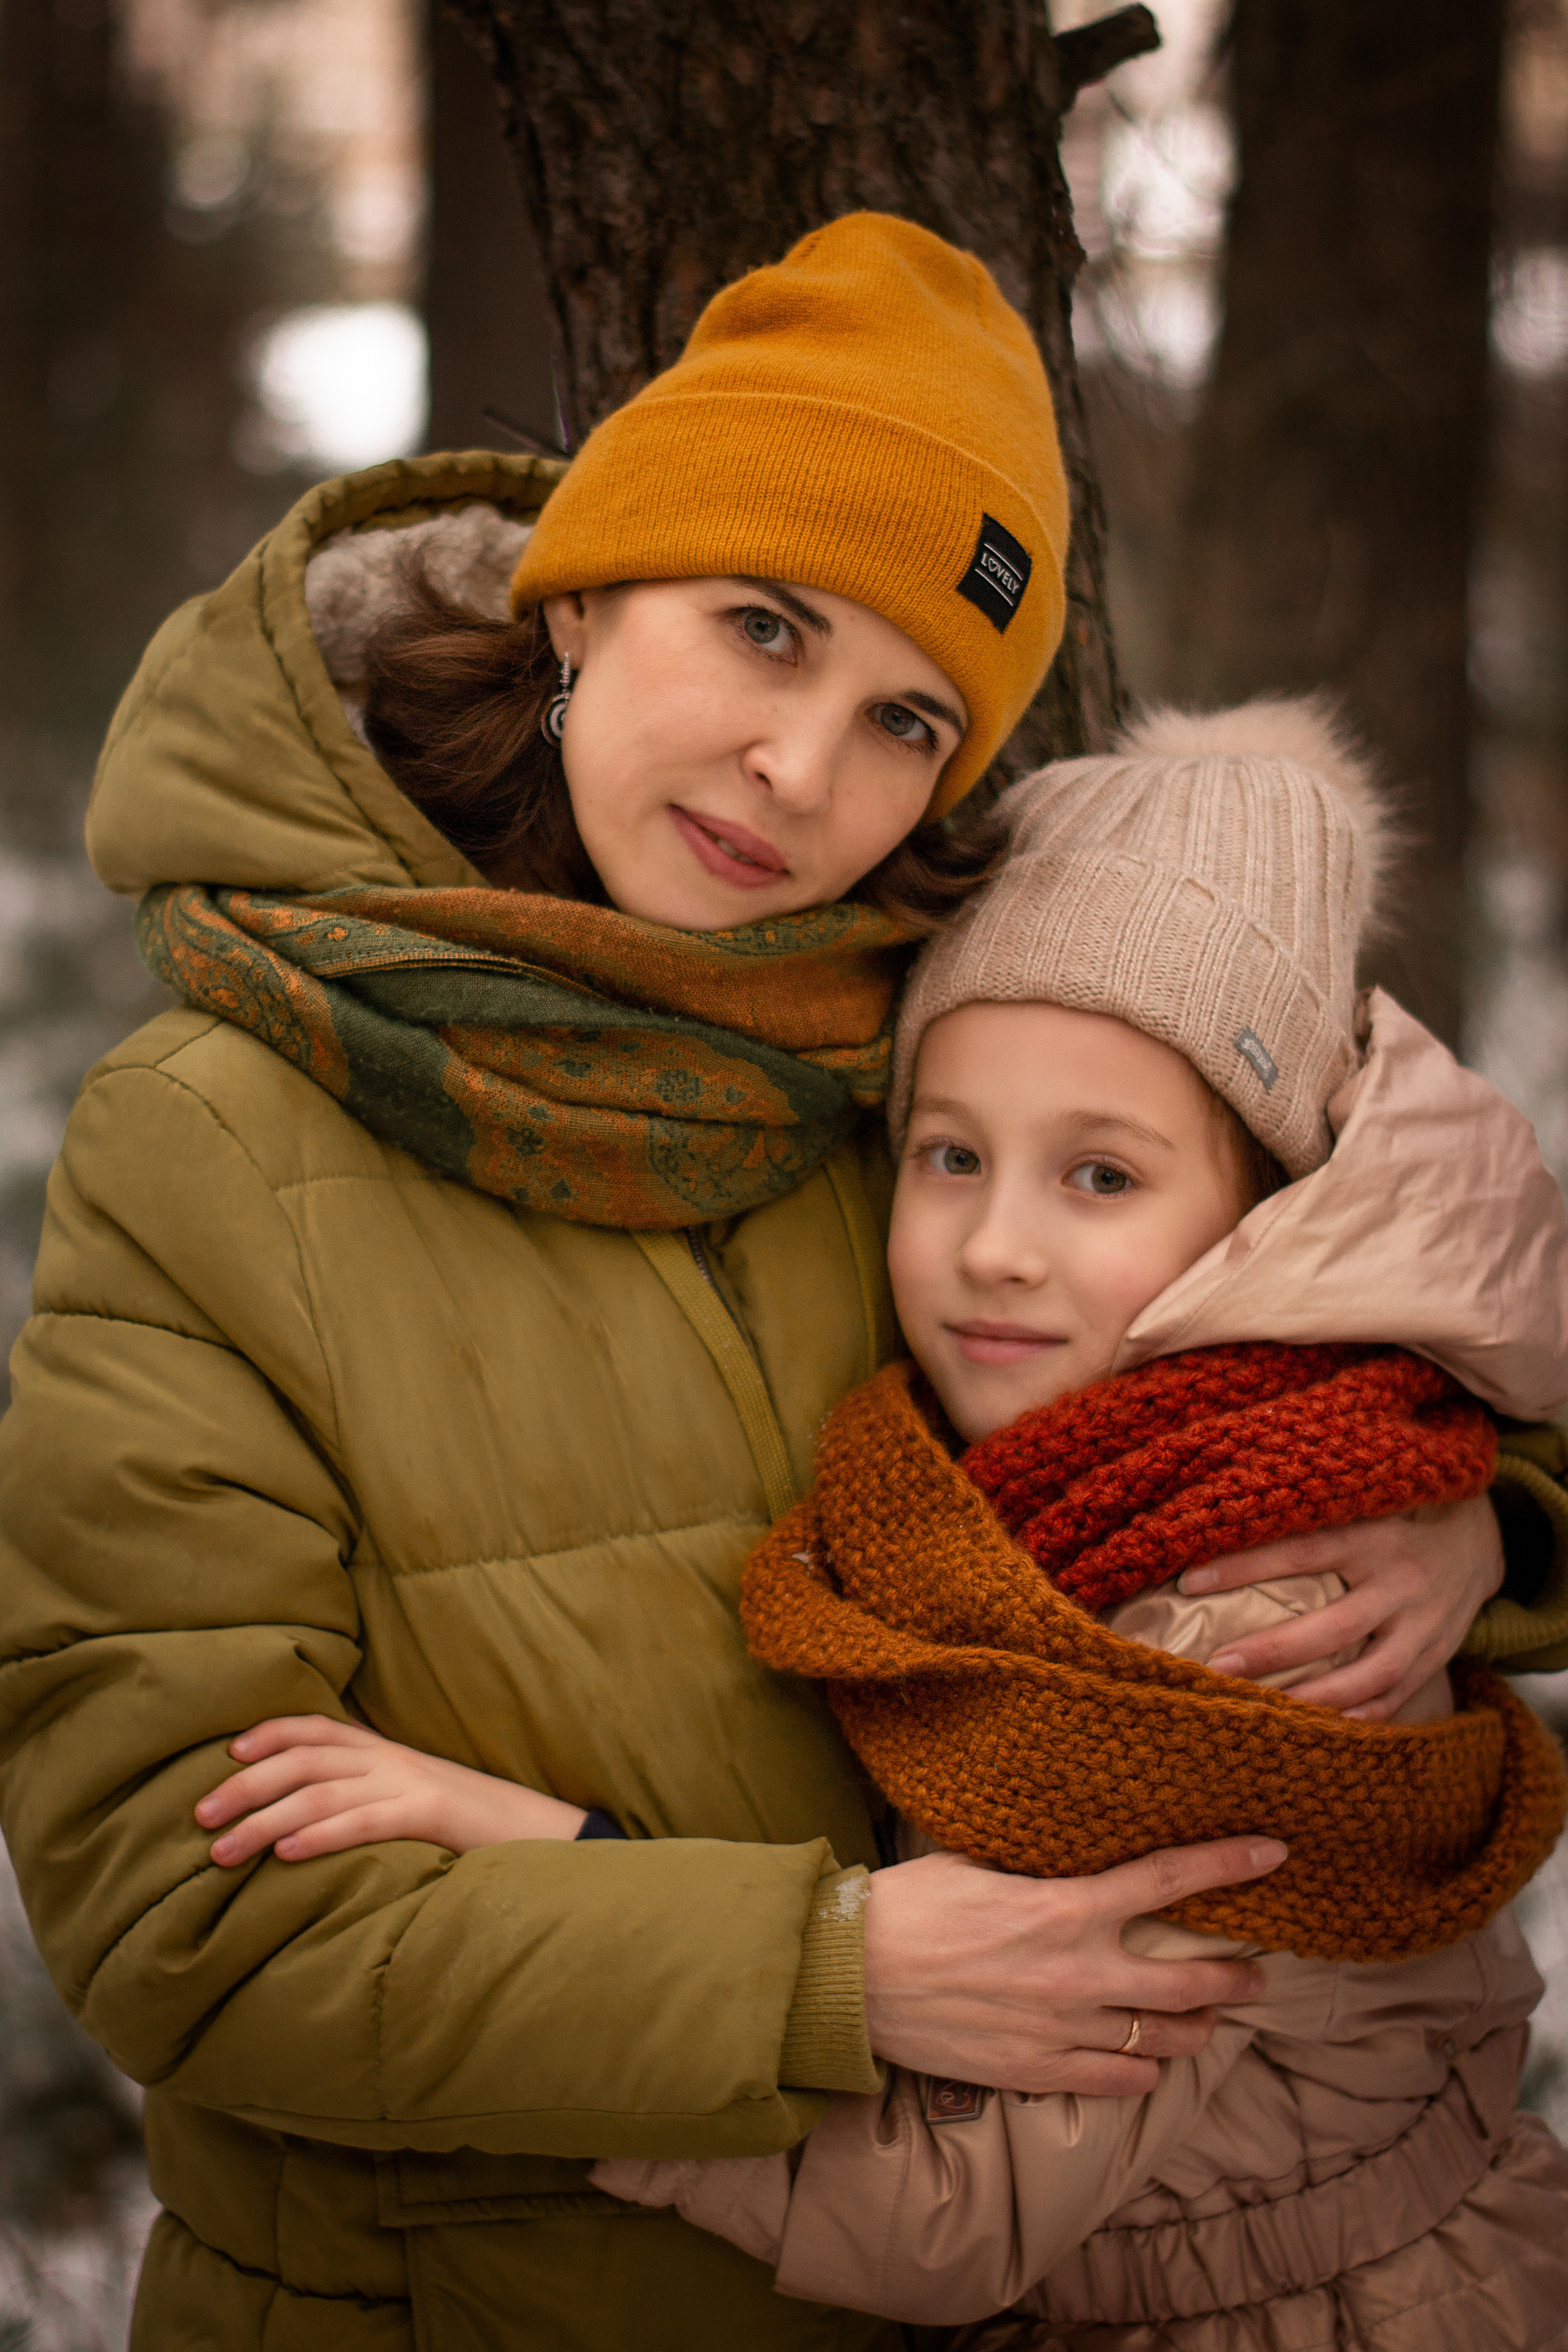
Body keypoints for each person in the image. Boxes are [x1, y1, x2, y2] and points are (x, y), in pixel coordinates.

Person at [0, 216, 1556, 2352]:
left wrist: (1467, 1513)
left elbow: (1348, 1224)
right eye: (761, 627)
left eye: (907, 717)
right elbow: (183, 1914)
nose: (804, 776)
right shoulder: (217, 1140)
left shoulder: (930, 1042)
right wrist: (824, 1972)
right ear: (582, 594)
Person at [587, 700, 1568, 2346]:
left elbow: (944, 2216)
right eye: (952, 1156)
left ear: (1262, 1221)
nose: (996, 1250)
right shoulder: (1060, 1488)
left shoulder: (1251, 1612)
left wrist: (551, 1957)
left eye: (1100, 1178)